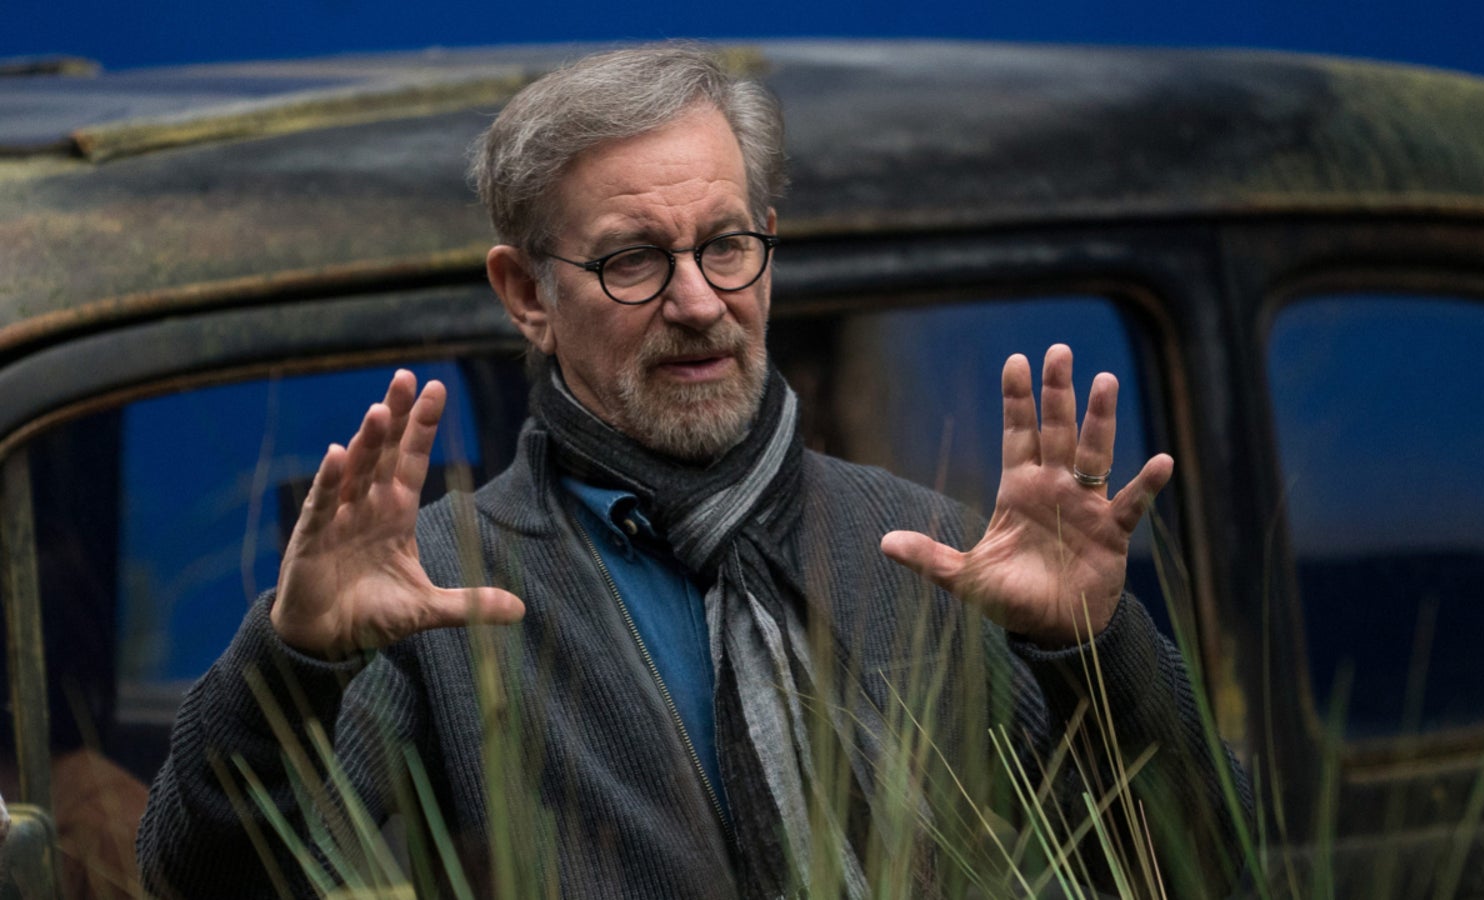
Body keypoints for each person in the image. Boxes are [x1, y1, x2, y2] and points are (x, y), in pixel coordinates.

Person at [138, 44, 1248, 898]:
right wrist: (293, 663)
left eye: (724, 245)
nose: (698, 302)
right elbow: (206, 882)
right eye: (633, 259)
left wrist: (1090, 650)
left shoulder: (931, 553)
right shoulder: (437, 593)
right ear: (526, 294)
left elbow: (1201, 864)